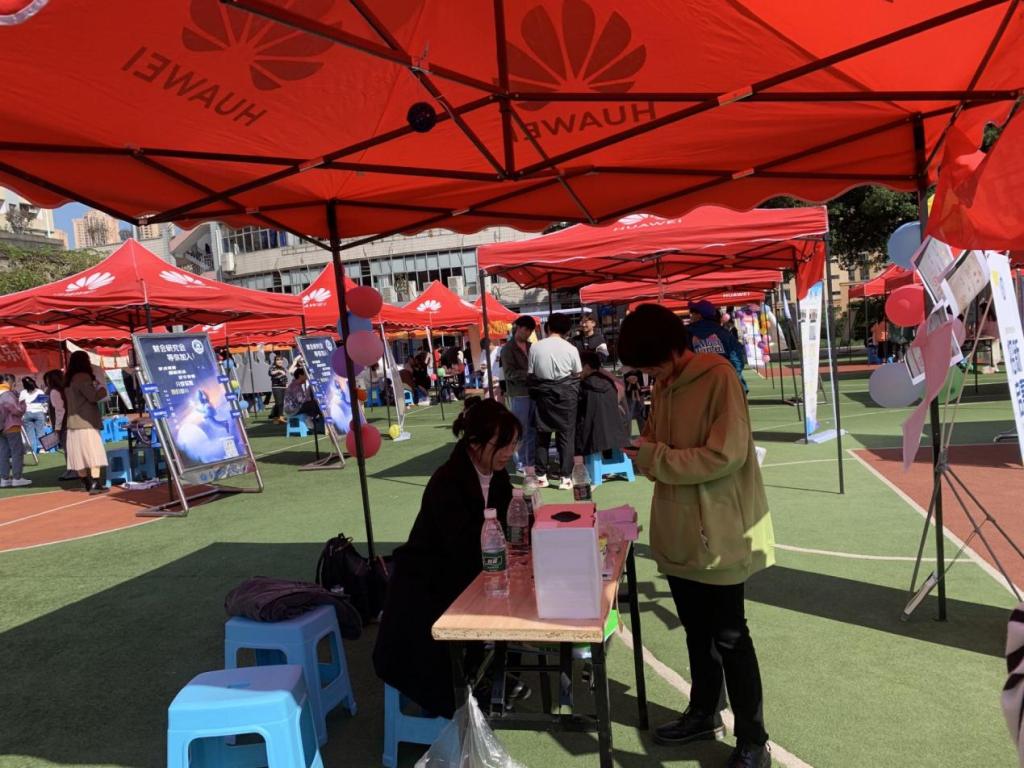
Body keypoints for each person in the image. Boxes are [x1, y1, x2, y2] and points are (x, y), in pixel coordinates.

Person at [620, 304, 774, 768]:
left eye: (651, 366)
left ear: (672, 349)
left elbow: (725, 455)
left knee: (730, 637)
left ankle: (753, 740)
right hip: (677, 530)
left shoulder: (719, 377)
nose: (650, 376)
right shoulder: (664, 384)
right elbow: (655, 442)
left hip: (719, 531)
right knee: (696, 632)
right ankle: (704, 711)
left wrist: (654, 457)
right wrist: (645, 451)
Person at [373, 399, 520, 718]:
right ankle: (468, 688)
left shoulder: (497, 474)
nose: (510, 452)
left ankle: (490, 677)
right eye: (503, 444)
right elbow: (460, 548)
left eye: (514, 444)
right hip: (426, 586)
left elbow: (509, 521)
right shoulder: (448, 481)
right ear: (475, 443)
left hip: (468, 576)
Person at [528, 313, 582, 490]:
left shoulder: (535, 347)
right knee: (566, 436)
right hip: (566, 395)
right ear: (567, 330)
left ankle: (541, 476)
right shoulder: (571, 348)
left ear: (548, 327)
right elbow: (577, 372)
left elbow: (531, 373)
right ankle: (565, 478)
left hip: (544, 394)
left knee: (542, 435)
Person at [64, 351, 110, 494]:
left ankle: (85, 482)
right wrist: (102, 389)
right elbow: (92, 396)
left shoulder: (68, 379)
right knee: (93, 453)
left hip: (72, 422)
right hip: (87, 421)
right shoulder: (83, 377)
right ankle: (96, 482)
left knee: (78, 455)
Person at [501, 315, 537, 473]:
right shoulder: (507, 349)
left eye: (530, 331)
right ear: (518, 328)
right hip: (518, 394)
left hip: (534, 393)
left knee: (533, 429)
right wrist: (529, 375)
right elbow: (509, 373)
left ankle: (531, 461)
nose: (527, 333)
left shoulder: (532, 347)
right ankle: (521, 463)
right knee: (520, 430)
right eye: (526, 329)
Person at [689, 300, 749, 394]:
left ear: (698, 315)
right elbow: (737, 357)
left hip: (699, 388)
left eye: (692, 313)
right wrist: (730, 377)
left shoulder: (686, 333)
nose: (691, 316)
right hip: (726, 386)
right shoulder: (724, 333)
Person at [576, 350, 627, 458]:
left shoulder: (583, 386)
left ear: (586, 367)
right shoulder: (610, 383)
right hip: (616, 437)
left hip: (592, 440)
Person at [44, 369, 77, 481]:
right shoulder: (66, 389)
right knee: (71, 448)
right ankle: (72, 470)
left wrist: (57, 428)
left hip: (64, 425)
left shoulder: (54, 391)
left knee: (68, 448)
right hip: (72, 421)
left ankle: (73, 470)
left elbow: (60, 410)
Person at [0, 374, 30, 487]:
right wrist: (22, 403)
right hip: (11, 426)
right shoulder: (7, 394)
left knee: (3, 453)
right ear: (6, 381)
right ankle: (17, 478)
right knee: (16, 452)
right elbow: (17, 410)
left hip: (1, 427)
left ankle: (4, 478)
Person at [18, 376, 48, 454]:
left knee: (29, 433)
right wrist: (44, 411)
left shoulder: (23, 392)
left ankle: (31, 450)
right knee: (41, 431)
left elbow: (20, 404)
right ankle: (42, 449)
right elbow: (45, 403)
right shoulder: (40, 391)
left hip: (27, 414)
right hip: (39, 413)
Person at [268, 356, 289, 423]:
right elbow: (271, 373)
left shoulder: (283, 368)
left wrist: (286, 384)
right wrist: (279, 371)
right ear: (275, 361)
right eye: (278, 360)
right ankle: (276, 416)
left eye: (281, 360)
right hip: (276, 387)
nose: (280, 361)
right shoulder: (273, 367)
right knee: (279, 403)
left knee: (281, 403)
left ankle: (279, 417)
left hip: (283, 387)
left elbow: (285, 378)